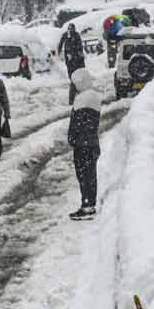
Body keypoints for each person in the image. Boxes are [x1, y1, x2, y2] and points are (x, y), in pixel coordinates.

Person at [67, 68, 101, 219]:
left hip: (83, 145)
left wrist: (72, 138)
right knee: (90, 174)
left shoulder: (84, 98)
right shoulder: (92, 95)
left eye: (75, 83)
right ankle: (89, 204)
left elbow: (78, 124)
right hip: (90, 143)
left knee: (85, 175)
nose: (73, 86)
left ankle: (87, 206)